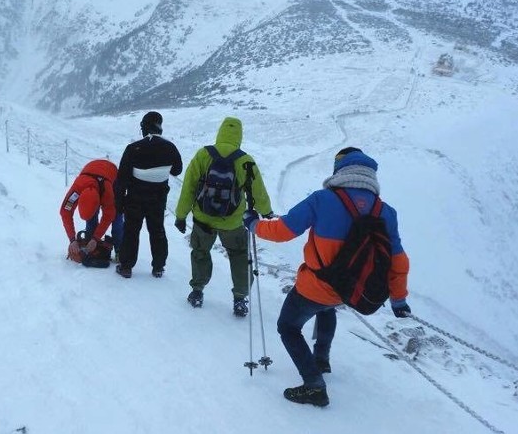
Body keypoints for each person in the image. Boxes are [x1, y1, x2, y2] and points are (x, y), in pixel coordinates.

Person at [242, 147, 411, 407]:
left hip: (315, 286)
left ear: (340, 170)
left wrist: (253, 224)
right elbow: (398, 260)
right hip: (347, 289)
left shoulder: (322, 199)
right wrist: (398, 299)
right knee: (327, 308)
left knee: (288, 327)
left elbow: (283, 230)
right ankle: (321, 359)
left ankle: (314, 384)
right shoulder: (385, 211)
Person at [174, 117, 272, 316]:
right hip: (233, 222)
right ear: (239, 136)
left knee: (200, 252)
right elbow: (257, 191)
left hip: (203, 218)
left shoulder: (203, 155)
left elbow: (189, 188)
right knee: (239, 256)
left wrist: (181, 215)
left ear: (220, 132)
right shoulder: (245, 161)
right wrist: (266, 211)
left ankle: (197, 292)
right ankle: (240, 299)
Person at [114, 111, 182, 278]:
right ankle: (158, 267)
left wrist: (119, 203)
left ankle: (126, 266)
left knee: (131, 230)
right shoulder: (170, 148)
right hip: (158, 198)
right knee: (157, 229)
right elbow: (177, 170)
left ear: (144, 127)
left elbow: (121, 179)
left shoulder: (133, 148)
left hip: (135, 197)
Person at [59, 159, 123, 263]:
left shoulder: (107, 192)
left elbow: (109, 216)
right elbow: (65, 212)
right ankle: (91, 246)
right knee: (91, 219)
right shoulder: (77, 189)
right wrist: (72, 240)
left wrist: (96, 238)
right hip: (90, 170)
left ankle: (120, 250)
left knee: (117, 217)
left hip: (113, 176)